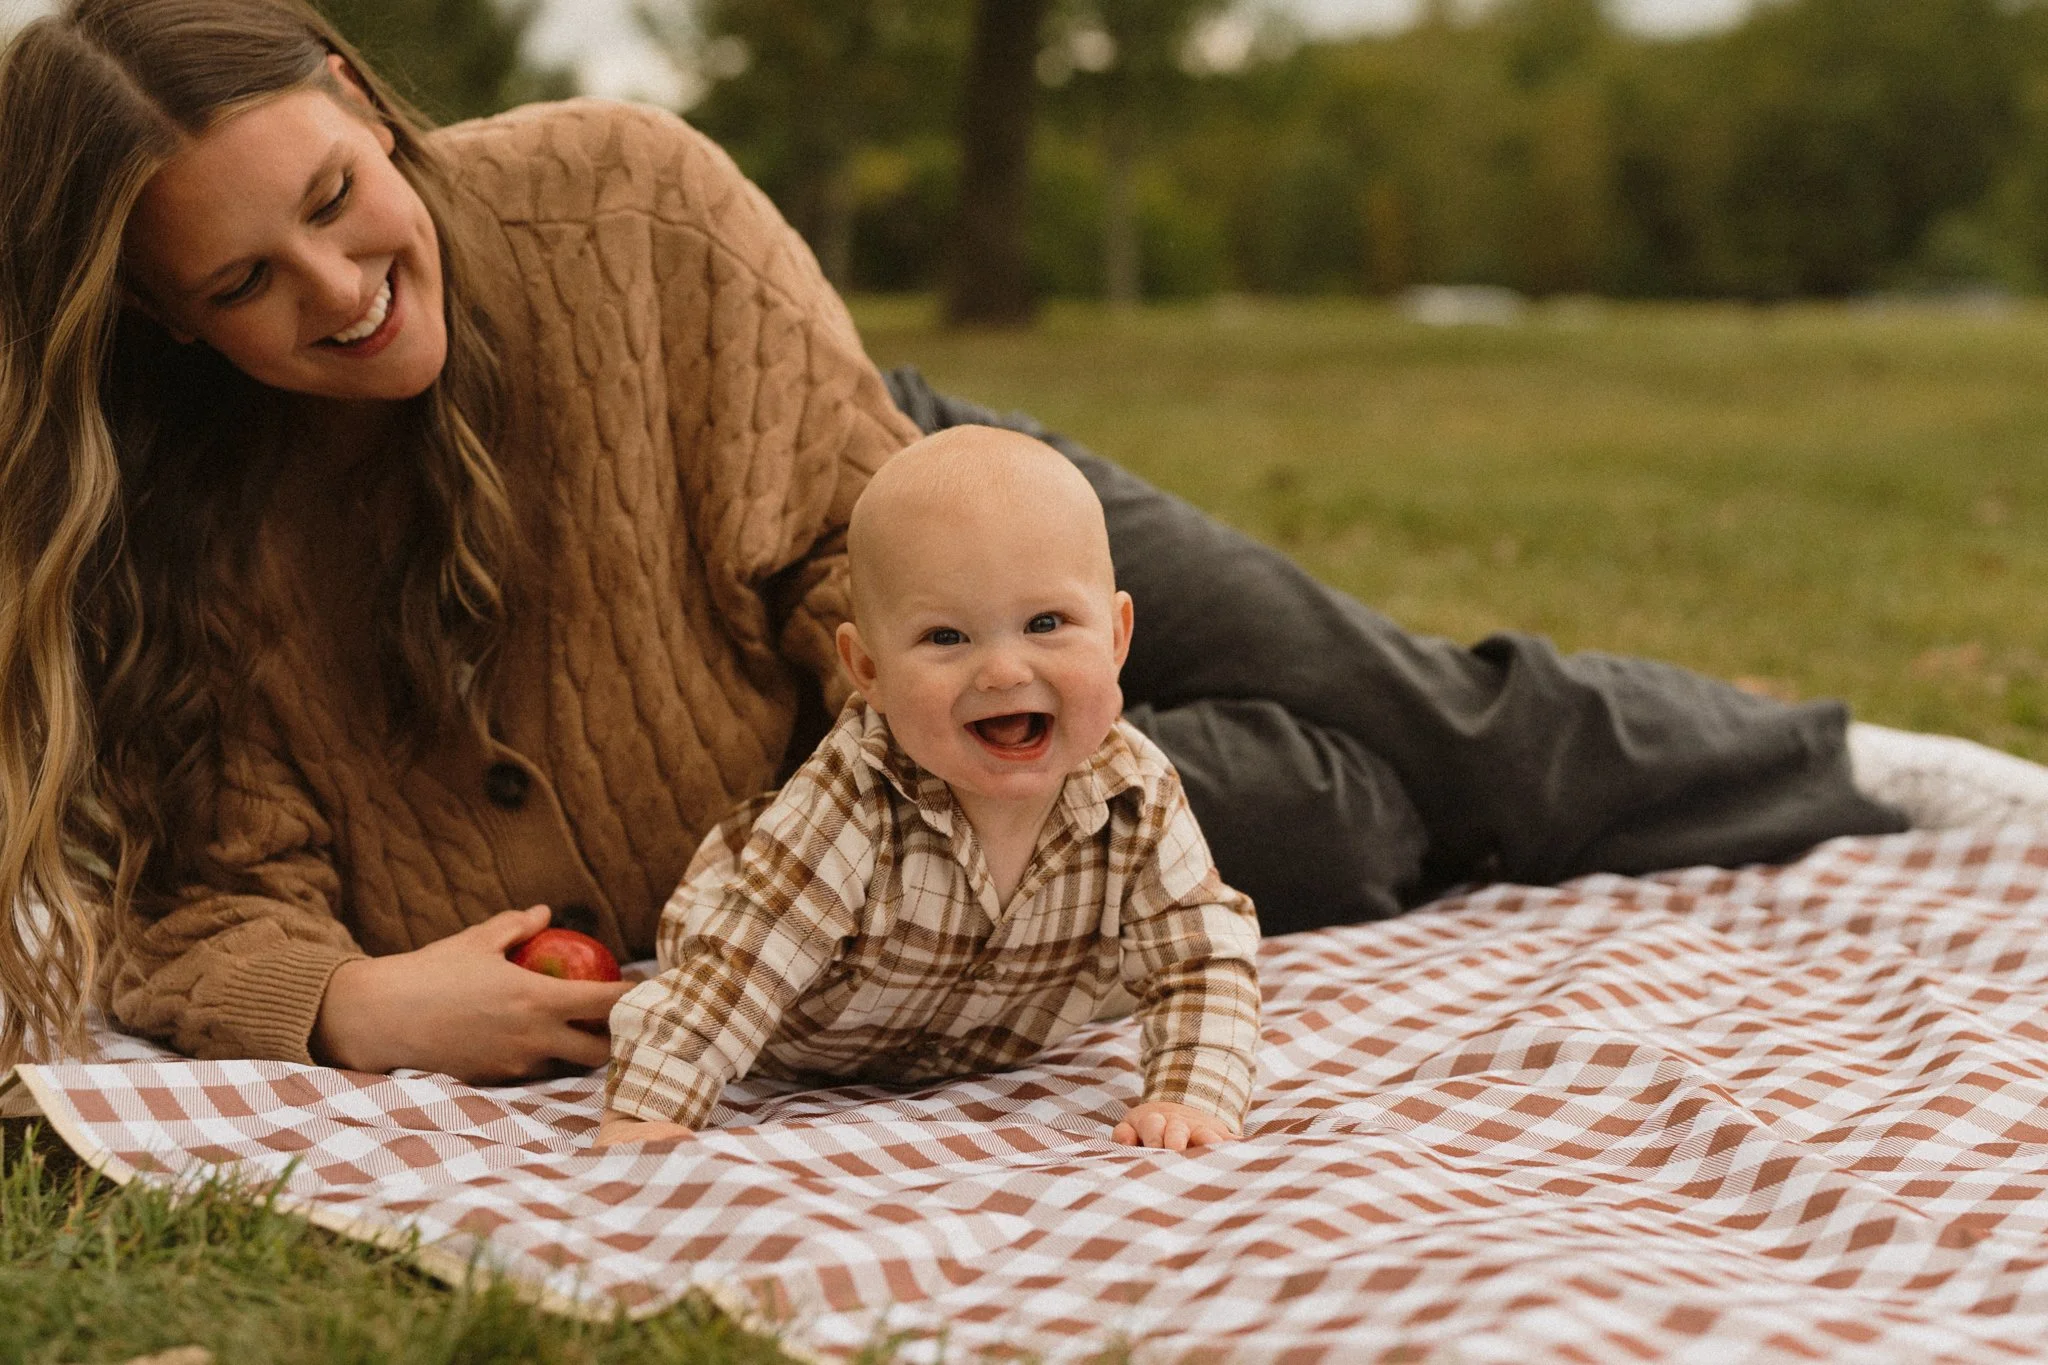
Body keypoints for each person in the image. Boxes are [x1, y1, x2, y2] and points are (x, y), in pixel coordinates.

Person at [2, 0, 2039, 1082]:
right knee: (1322, 829)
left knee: (1430, 716)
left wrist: (941, 747)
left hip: (925, 528)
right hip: (839, 834)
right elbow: (205, 897)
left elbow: (828, 530)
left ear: (361, 90)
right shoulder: (185, 546)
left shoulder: (615, 193)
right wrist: (352, 1005)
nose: (343, 287)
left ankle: (1854, 775)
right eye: (253, 285)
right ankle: (1407, 827)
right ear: (171, 328)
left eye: (343, 195)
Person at [597, 426, 1260, 1152]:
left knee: (1170, 943)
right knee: (732, 959)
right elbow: (741, 966)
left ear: (1116, 637)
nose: (1004, 671)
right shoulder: (853, 798)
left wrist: (1189, 1097)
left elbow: (1199, 957)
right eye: (946, 636)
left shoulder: (1135, 793)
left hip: (989, 1027)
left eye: (1046, 622)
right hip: (794, 1020)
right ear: (868, 670)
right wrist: (650, 1111)